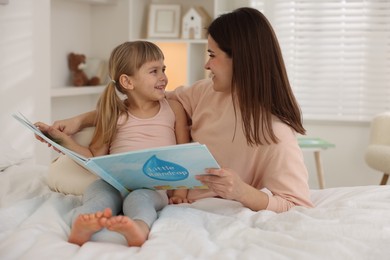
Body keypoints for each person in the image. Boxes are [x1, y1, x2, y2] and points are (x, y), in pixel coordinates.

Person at [46, 7, 314, 214]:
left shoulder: (277, 135)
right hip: (146, 181)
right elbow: (139, 102)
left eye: (212, 54)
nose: (206, 65)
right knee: (73, 175)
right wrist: (78, 121)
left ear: (241, 60)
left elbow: (296, 205)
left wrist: (243, 192)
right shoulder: (205, 92)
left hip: (170, 198)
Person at [35, 41, 191, 247]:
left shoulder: (173, 109)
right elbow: (94, 158)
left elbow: (184, 153)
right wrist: (64, 142)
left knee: (140, 199)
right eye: (154, 71)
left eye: (163, 69)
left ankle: (139, 228)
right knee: (98, 195)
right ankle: (80, 226)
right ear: (127, 82)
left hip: (152, 185)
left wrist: (180, 193)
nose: (163, 76)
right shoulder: (113, 114)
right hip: (113, 182)